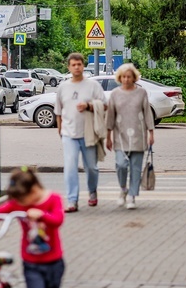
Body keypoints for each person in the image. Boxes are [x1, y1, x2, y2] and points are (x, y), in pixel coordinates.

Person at [54, 53, 106, 213]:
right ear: (69, 67)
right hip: (69, 134)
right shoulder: (63, 87)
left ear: (83, 66)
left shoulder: (93, 86)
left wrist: (89, 106)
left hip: (88, 133)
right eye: (73, 65)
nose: (76, 67)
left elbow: (104, 105)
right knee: (70, 167)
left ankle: (92, 191)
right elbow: (58, 112)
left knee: (91, 168)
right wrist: (60, 130)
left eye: (79, 64)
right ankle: (72, 200)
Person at [106, 63, 154, 209]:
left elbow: (147, 113)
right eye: (124, 77)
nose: (126, 79)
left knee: (135, 168)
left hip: (139, 135)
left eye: (129, 77)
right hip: (120, 136)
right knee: (120, 165)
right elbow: (110, 116)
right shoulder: (115, 94)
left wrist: (151, 132)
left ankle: (132, 196)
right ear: (120, 78)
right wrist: (107, 136)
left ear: (134, 78)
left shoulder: (141, 93)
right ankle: (123, 189)